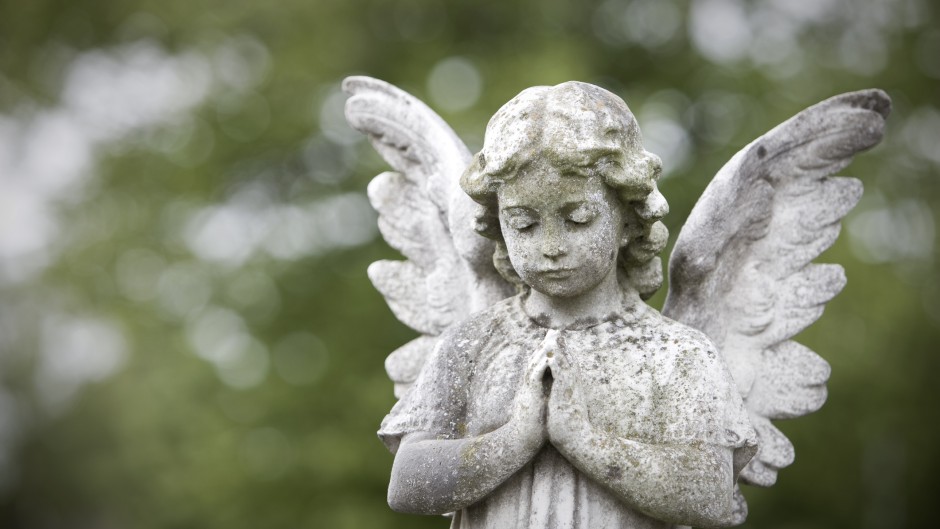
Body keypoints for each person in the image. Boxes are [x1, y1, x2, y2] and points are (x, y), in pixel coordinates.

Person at [378, 82, 758, 529]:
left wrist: (583, 440)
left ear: (626, 219)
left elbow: (710, 495)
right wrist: (515, 440)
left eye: (578, 219)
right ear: (498, 224)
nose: (551, 246)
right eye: (524, 224)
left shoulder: (675, 353)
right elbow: (407, 484)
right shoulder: (472, 343)